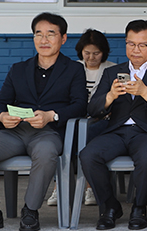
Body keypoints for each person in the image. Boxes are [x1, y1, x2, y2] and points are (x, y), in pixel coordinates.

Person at [0, 13, 87, 231]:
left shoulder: (74, 69)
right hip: (14, 132)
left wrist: (52, 115)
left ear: (63, 38)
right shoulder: (19, 69)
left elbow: (81, 105)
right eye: (38, 34)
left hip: (48, 132)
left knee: (45, 152)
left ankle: (31, 211)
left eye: (50, 34)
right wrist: (2, 116)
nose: (44, 40)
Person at [79, 20, 147, 231]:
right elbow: (93, 109)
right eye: (130, 44)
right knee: (88, 155)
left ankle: (139, 208)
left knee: (146, 156)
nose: (136, 50)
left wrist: (145, 92)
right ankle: (110, 207)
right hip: (116, 131)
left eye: (142, 44)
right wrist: (110, 96)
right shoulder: (112, 72)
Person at [46, 28, 114, 208]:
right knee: (59, 136)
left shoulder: (113, 69)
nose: (91, 58)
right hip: (74, 118)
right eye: (87, 53)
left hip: (101, 120)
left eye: (96, 53)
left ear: (104, 53)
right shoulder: (71, 69)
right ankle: (59, 186)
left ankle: (90, 186)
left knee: (89, 134)